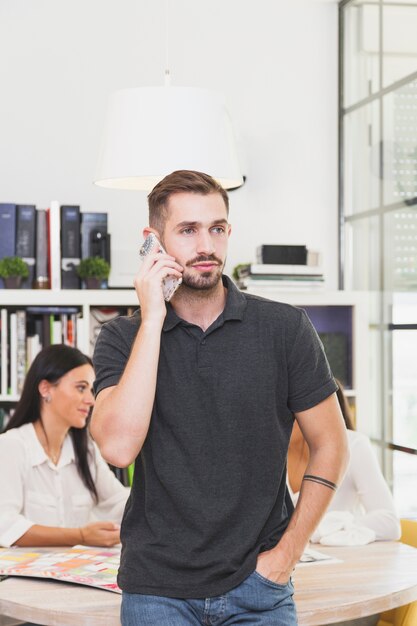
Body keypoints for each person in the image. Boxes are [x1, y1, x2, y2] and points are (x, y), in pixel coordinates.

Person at [91, 169, 349, 626]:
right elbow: (118, 446)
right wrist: (152, 319)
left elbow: (331, 445)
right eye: (187, 231)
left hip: (260, 588)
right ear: (153, 241)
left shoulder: (285, 329)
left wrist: (287, 554)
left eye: (217, 228)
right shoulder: (122, 337)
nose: (205, 246)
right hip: (157, 591)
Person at [0, 344, 128, 548]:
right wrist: (80, 536)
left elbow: (119, 502)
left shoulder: (86, 452)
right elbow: (5, 526)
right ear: (45, 389)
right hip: (23, 577)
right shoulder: (11, 447)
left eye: (92, 390)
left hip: (75, 572)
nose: (91, 400)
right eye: (81, 388)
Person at [288, 379, 401, 545]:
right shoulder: (272, 451)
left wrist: (324, 528)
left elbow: (390, 523)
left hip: (343, 562)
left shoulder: (355, 445)